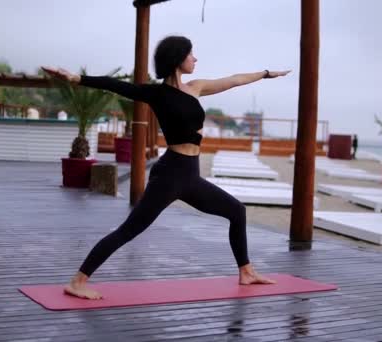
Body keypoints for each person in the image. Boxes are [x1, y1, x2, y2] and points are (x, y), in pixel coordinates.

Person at [42, 35, 291, 300]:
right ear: (177, 58)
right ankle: (78, 281)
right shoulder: (156, 94)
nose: (195, 58)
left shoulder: (196, 87)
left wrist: (265, 74)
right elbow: (114, 85)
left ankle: (247, 271)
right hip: (170, 174)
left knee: (236, 211)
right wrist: (75, 78)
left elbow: (234, 80)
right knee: (130, 229)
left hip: (190, 175)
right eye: (191, 54)